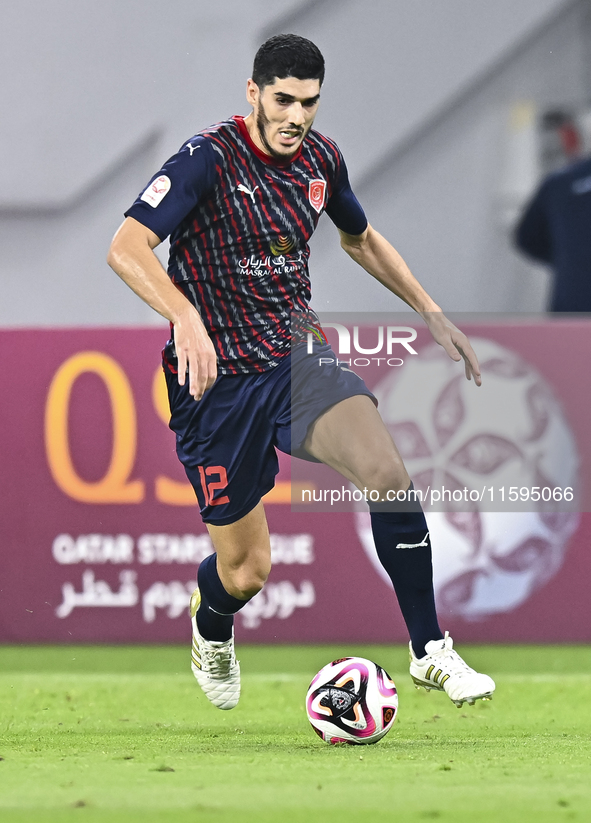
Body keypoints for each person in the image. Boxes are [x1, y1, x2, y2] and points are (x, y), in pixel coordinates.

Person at [108, 34, 495, 712]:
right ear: (253, 93)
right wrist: (184, 317)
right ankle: (211, 622)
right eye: (283, 100)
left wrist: (429, 309)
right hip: (216, 383)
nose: (295, 116)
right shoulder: (206, 159)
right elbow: (126, 244)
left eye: (308, 103)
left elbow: (358, 236)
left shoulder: (320, 160)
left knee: (386, 470)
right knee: (246, 570)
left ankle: (429, 649)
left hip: (293, 355)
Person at [514, 154, 591, 311]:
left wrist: (569, 260)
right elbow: (528, 238)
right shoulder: (560, 183)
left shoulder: (560, 181)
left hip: (570, 309)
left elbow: (528, 239)